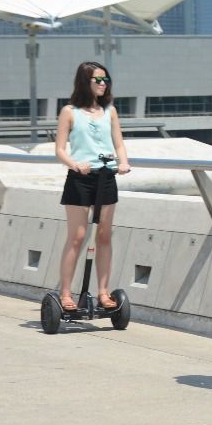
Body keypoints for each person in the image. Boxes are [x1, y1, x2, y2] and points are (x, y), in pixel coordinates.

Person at [53, 60, 131, 311]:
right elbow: (59, 150)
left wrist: (124, 162)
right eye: (98, 79)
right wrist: (76, 164)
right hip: (80, 178)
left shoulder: (110, 111)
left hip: (106, 176)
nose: (103, 84)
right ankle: (66, 294)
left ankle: (103, 293)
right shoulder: (69, 112)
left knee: (104, 236)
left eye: (105, 79)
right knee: (77, 237)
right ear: (85, 82)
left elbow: (118, 143)